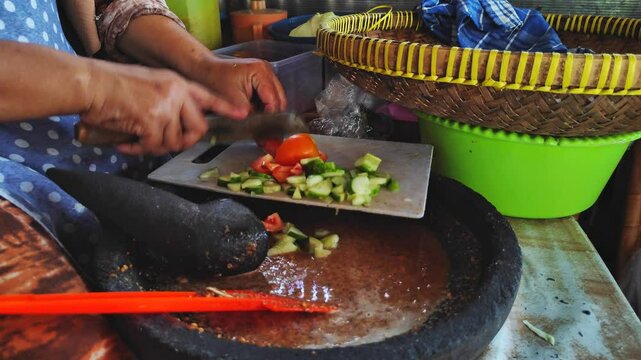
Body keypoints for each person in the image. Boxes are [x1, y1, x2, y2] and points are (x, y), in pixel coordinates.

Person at [0, 0, 286, 252]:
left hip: (105, 169)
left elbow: (106, 4)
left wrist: (202, 64)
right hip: (18, 216)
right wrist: (97, 86)